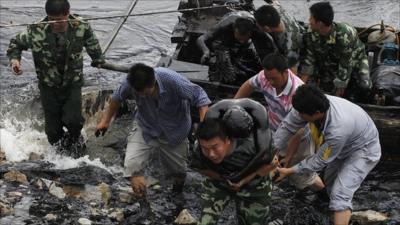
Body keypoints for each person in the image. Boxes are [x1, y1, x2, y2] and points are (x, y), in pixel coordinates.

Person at [6, 0, 105, 157]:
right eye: (51, 18)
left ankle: (76, 145)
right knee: (52, 132)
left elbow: (92, 43)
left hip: (72, 83)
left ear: (67, 14)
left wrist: (98, 59)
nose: (55, 23)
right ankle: (60, 157)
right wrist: (15, 61)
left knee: (73, 122)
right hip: (48, 85)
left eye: (59, 20)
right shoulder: (35, 30)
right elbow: (15, 44)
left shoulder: (81, 26)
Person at [95, 63, 210, 197]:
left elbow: (200, 97)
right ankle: (143, 201)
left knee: (178, 171)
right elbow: (116, 99)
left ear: (153, 84)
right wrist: (105, 121)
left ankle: (177, 192)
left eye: (145, 93)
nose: (142, 97)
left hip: (175, 130)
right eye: (138, 94)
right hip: (146, 125)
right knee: (132, 166)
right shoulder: (129, 82)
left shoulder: (171, 80)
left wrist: (204, 126)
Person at [275, 85, 381, 225]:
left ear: (317, 113)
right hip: (343, 145)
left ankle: (342, 212)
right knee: (330, 186)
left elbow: (318, 161)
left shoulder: (338, 128)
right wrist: (272, 153)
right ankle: (338, 217)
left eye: (301, 114)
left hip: (363, 149)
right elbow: (287, 127)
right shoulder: (307, 105)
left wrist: (289, 171)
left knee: (340, 195)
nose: (298, 115)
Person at [235, 53, 325, 193]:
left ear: (285, 72)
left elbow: (298, 131)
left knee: (301, 177)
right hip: (274, 129)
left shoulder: (297, 92)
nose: (270, 82)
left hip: (299, 137)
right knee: (265, 163)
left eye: (274, 79)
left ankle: (325, 194)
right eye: (268, 78)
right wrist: (233, 105)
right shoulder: (264, 76)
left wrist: (287, 159)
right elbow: (249, 85)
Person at [190, 98, 278, 225]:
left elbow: (273, 163)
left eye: (215, 147)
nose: (211, 154)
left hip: (254, 185)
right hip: (219, 184)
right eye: (206, 149)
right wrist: (223, 179)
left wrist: (244, 180)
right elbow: (202, 168)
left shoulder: (254, 145)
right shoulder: (201, 145)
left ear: (228, 140)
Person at [298, 2, 371, 99]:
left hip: (354, 59)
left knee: (364, 86)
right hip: (328, 62)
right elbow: (309, 60)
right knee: (315, 89)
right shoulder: (310, 34)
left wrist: (339, 91)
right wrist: (300, 86)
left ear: (319, 23)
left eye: (311, 18)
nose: (309, 21)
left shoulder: (345, 35)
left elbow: (345, 65)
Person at [196, 11, 272, 85]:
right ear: (234, 29)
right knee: (229, 76)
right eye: (239, 38)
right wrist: (206, 51)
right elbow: (201, 39)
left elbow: (272, 48)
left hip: (247, 44)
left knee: (258, 64)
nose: (241, 41)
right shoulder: (226, 25)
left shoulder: (258, 30)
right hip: (223, 43)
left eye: (244, 39)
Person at [254, 3, 305, 72]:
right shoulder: (277, 11)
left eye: (258, 23)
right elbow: (275, 2)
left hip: (299, 52)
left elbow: (293, 70)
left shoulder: (290, 44)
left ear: (266, 28)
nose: (256, 24)